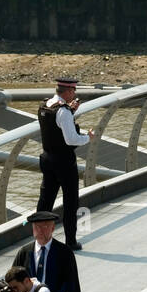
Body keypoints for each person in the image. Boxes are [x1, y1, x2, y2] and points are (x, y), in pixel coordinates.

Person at [37, 77, 95, 249]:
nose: (74, 94)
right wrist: (88, 138)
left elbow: (55, 127)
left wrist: (70, 112)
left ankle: (39, 238)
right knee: (70, 202)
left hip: (47, 159)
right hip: (64, 162)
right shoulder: (64, 112)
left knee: (46, 200)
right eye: (74, 91)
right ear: (69, 91)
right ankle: (70, 241)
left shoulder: (45, 105)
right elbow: (71, 139)